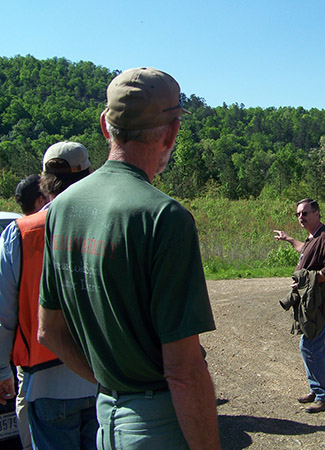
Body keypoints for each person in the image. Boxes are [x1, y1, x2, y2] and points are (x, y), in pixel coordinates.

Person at [37, 68, 221, 449]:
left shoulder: (61, 208)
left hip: (108, 417)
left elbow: (48, 332)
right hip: (158, 425)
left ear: (106, 126)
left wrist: (113, 383)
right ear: (171, 132)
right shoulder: (164, 217)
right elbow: (184, 371)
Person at [0, 142, 97, 450]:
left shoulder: (19, 234)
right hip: (103, 377)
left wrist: (3, 369)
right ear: (88, 174)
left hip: (44, 383)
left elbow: (4, 315)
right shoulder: (107, 224)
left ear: (43, 182)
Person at [273, 199, 325, 413]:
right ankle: (317, 389)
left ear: (317, 213)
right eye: (298, 214)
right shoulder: (313, 237)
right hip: (310, 300)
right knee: (311, 344)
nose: (301, 217)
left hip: (318, 299)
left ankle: (324, 395)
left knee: (311, 345)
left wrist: (307, 279)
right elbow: (305, 251)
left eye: (305, 213)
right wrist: (289, 239)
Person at [12, 174, 45, 450]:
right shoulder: (56, 227)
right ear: (40, 199)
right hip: (67, 359)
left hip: (30, 359)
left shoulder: (14, 235)